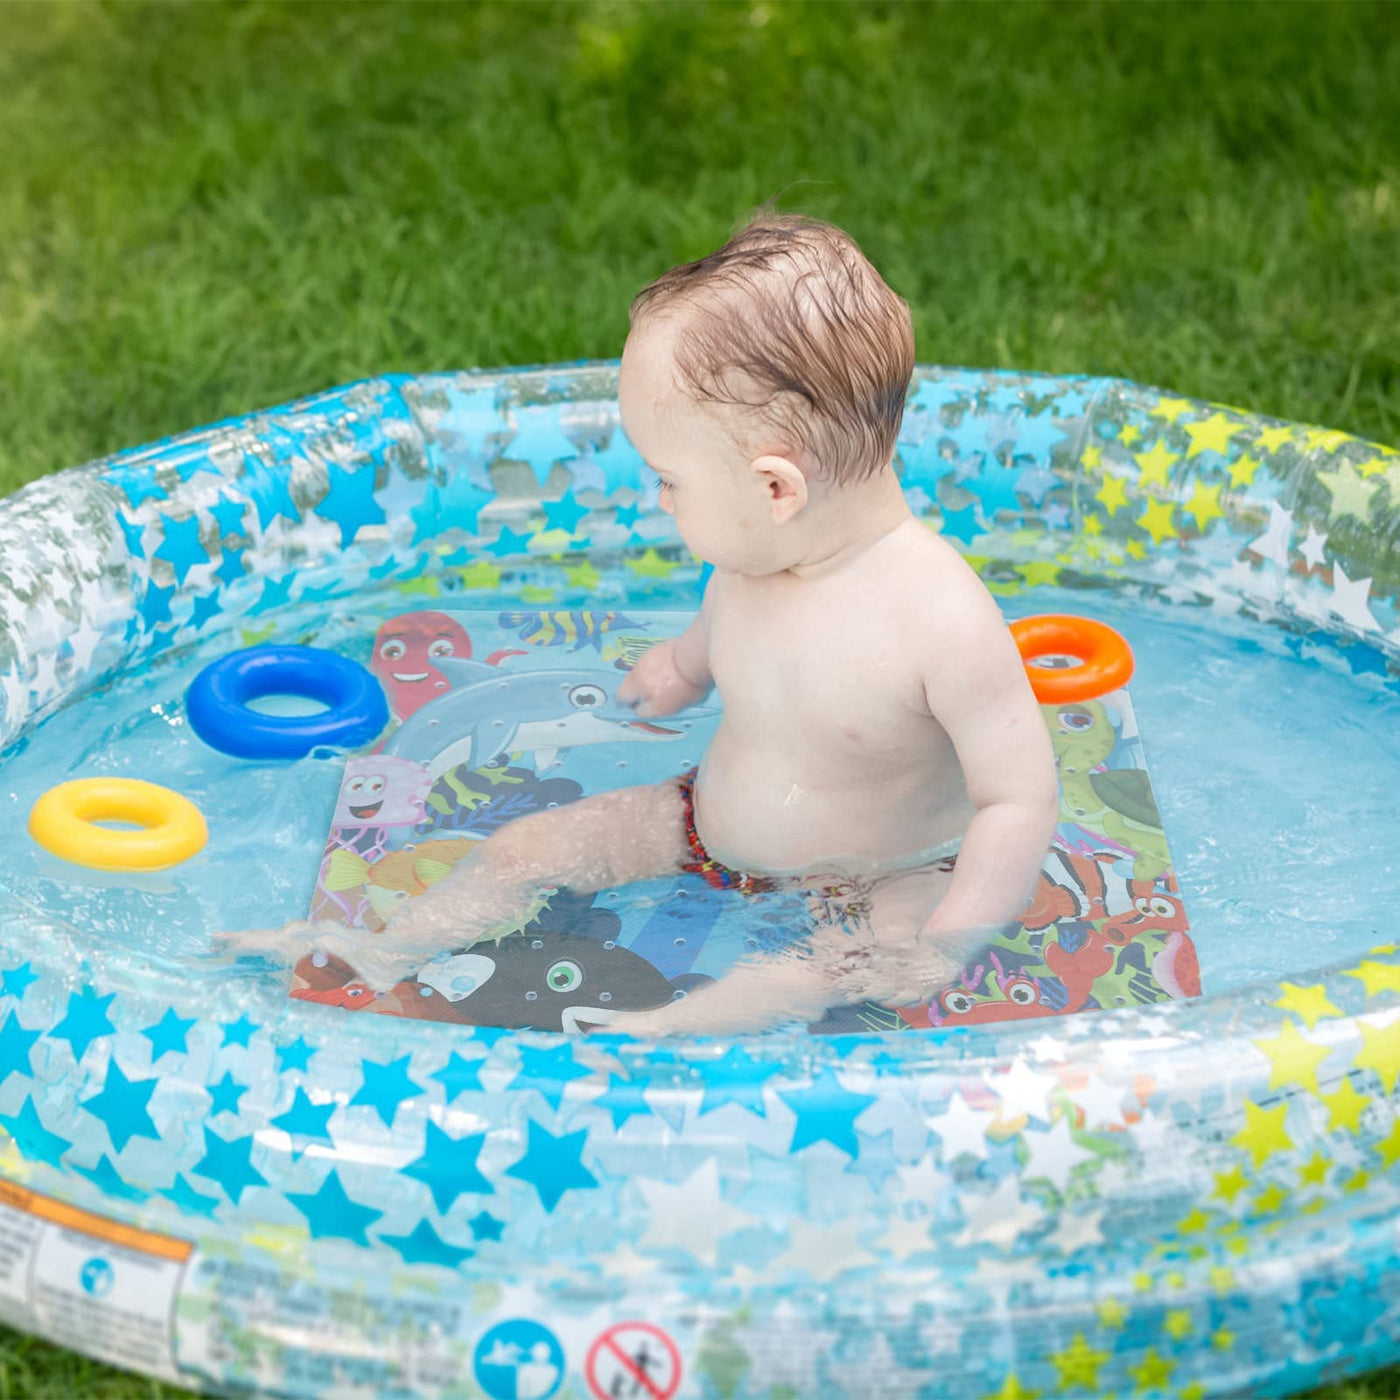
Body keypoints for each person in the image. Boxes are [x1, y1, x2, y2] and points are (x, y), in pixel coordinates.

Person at [234, 212, 1059, 1034]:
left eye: (670, 479)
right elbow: (725, 639)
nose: (658, 501)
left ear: (776, 490)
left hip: (888, 877)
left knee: (832, 968)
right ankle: (382, 950)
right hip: (704, 827)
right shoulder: (756, 557)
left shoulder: (941, 621)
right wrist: (681, 666)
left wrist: (951, 942)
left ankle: (666, 1031)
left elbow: (1018, 800)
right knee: (528, 850)